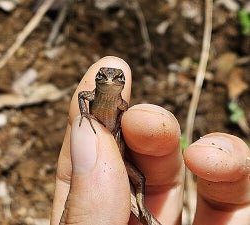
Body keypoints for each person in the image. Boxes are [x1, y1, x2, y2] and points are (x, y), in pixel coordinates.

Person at [50, 56, 250, 225]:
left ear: (122, 83)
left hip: (118, 150)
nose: (110, 81)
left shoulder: (120, 102)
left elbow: (125, 113)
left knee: (141, 179)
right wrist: (85, 115)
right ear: (97, 80)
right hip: (107, 149)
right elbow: (82, 97)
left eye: (117, 78)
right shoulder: (94, 94)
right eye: (103, 77)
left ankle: (142, 205)